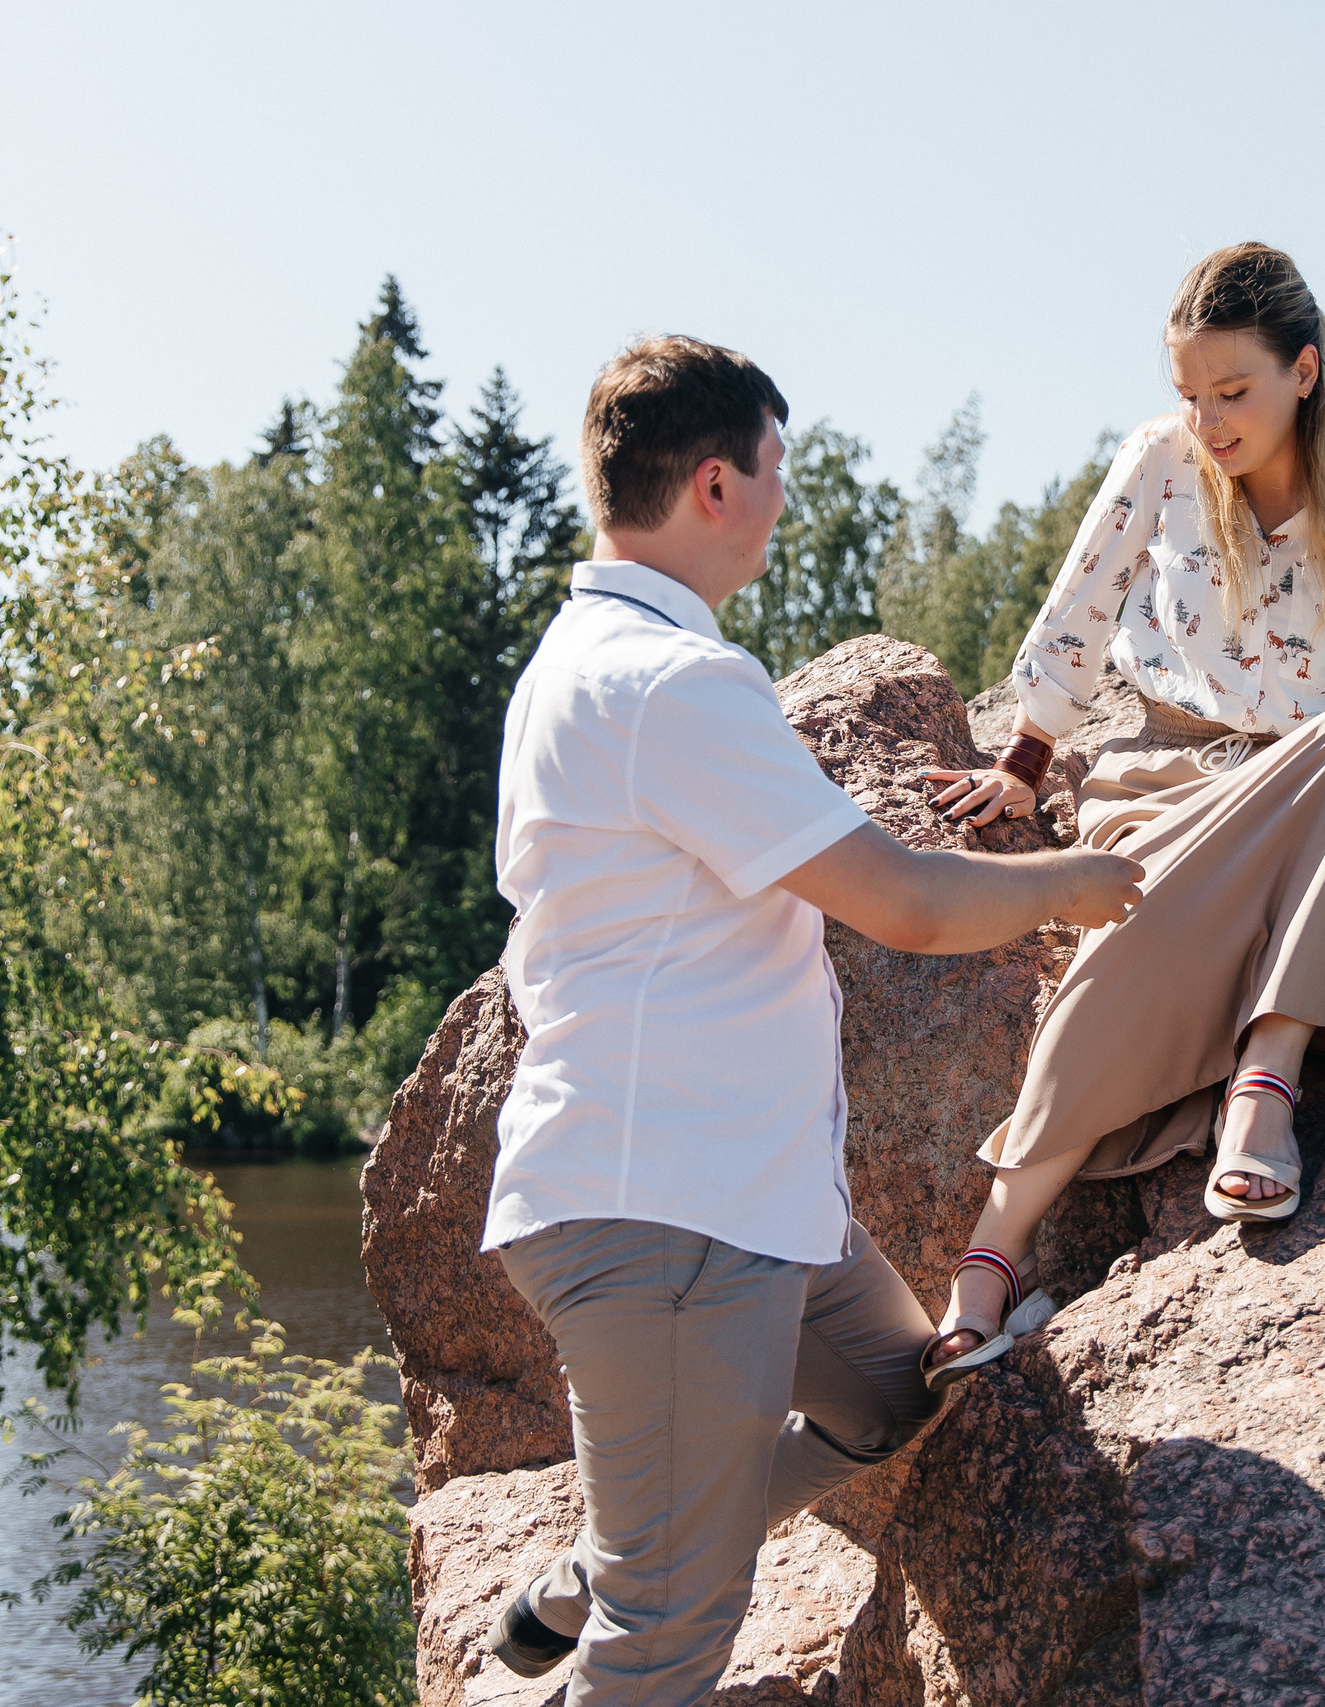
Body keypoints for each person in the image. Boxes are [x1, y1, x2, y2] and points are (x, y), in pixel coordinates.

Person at [482, 335, 1143, 1705]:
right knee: (670, 1639)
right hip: (663, 1205)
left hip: (742, 1195)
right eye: (778, 472)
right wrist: (1072, 886)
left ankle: (607, 1557)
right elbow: (896, 897)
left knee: (891, 1390)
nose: (788, 500)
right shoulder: (673, 683)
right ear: (715, 484)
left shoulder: (582, 658)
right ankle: (633, 1568)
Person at [916, 243, 1325, 1387]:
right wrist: (1026, 759)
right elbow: (1077, 615)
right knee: (1130, 930)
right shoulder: (1160, 465)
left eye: (1234, 392)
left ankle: (1264, 1084)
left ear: (1304, 371)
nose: (1208, 420)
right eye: (1190, 394)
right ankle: (997, 1252)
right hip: (1168, 782)